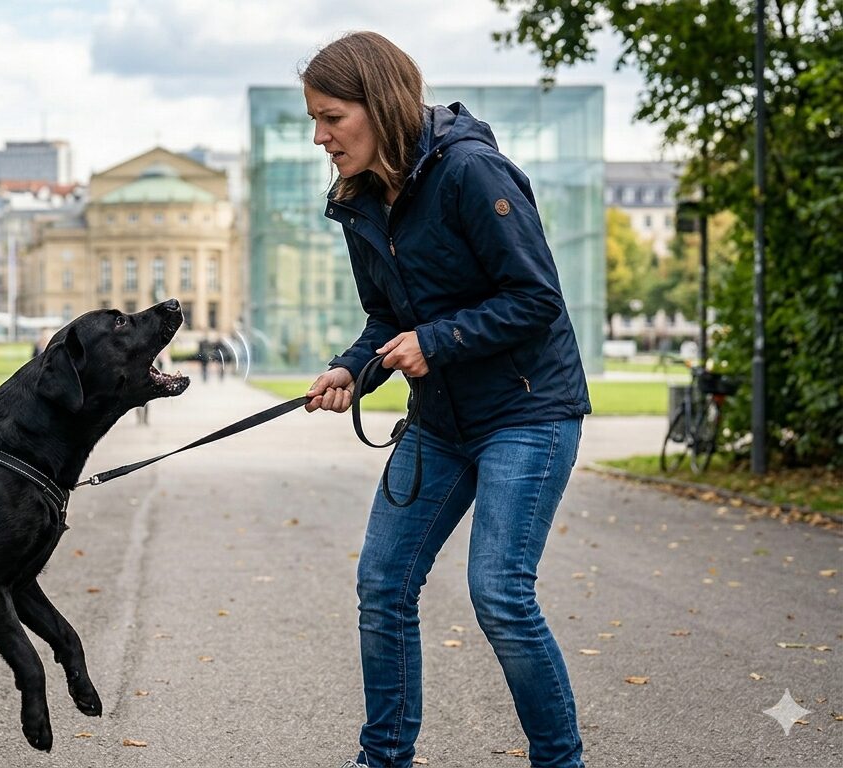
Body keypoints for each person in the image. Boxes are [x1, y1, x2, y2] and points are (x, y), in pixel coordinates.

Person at [299, 33, 592, 768]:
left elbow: (535, 298)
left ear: (380, 104)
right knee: (382, 584)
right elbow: (387, 320)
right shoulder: (359, 198)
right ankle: (384, 758)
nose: (320, 136)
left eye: (332, 117)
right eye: (314, 119)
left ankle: (561, 762)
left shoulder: (469, 171)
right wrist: (351, 370)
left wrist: (439, 340)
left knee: (498, 593)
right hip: (439, 422)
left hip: (527, 413)